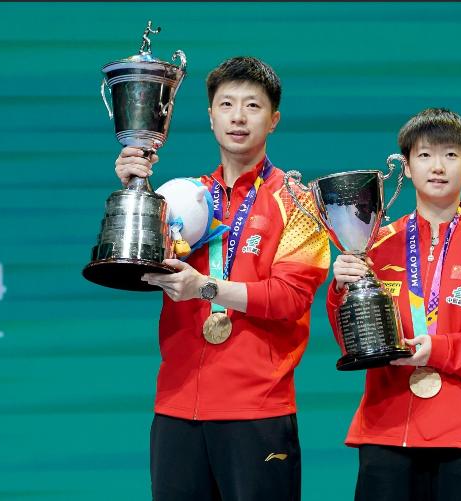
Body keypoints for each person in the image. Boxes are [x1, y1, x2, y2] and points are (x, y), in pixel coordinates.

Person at [114, 56, 330, 501]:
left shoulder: (300, 203)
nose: (238, 117)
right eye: (227, 104)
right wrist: (136, 190)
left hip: (257, 409)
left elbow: (290, 297)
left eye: (252, 106)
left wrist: (205, 288)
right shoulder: (180, 198)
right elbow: (134, 263)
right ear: (210, 116)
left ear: (274, 120)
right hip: (177, 408)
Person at [327, 108, 461, 501]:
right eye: (424, 155)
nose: (437, 166)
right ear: (406, 166)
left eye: (450, 155)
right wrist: (341, 289)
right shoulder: (376, 242)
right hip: (387, 431)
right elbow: (352, 340)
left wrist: (439, 349)